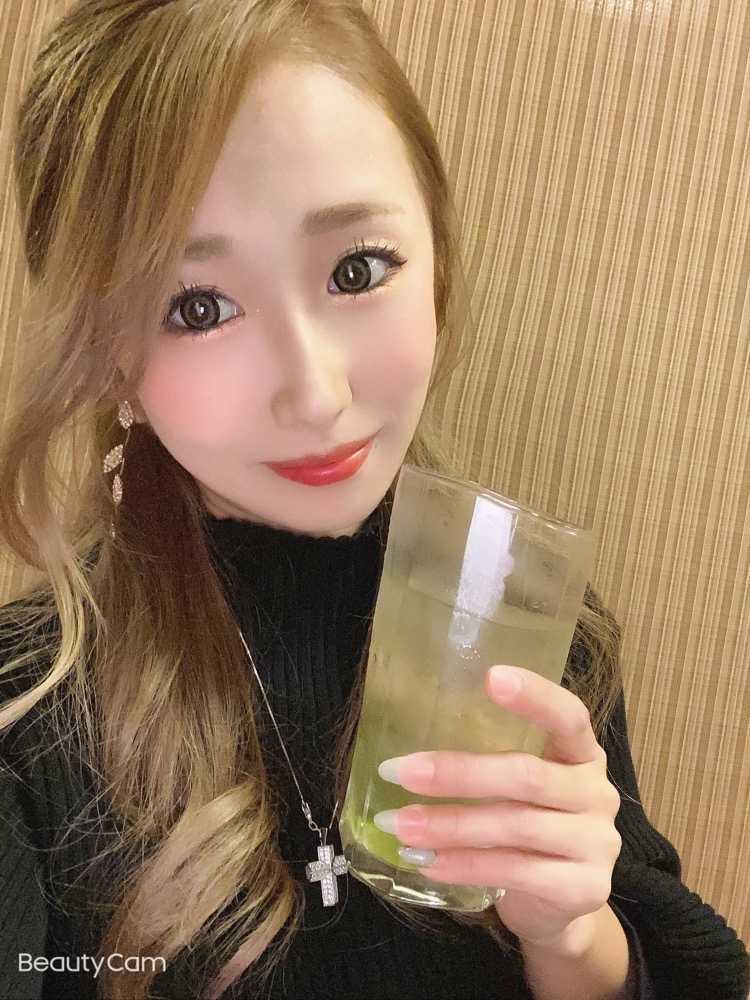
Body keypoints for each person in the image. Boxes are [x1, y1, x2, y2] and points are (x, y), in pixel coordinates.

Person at [0, 1, 747, 998]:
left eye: (357, 270)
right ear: (109, 360)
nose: (316, 394)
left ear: (437, 260)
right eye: (197, 306)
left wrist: (574, 937)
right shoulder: (31, 716)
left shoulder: (526, 627)